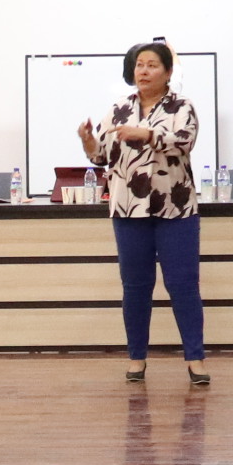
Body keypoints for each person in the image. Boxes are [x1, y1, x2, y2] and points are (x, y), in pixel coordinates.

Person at [79, 38, 207, 386]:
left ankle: (195, 360)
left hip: (175, 208)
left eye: (152, 65)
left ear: (167, 72)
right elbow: (101, 156)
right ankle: (136, 358)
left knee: (183, 285)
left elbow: (184, 141)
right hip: (128, 208)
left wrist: (146, 134)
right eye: (139, 65)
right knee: (135, 287)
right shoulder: (119, 108)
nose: (144, 71)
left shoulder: (182, 106)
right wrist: (88, 141)